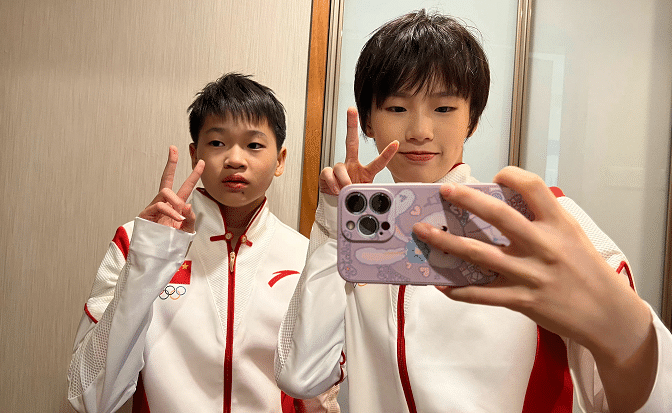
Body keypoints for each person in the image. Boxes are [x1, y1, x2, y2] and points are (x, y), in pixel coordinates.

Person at [274, 10, 671, 412]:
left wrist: (623, 331)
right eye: (396, 108)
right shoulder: (361, 240)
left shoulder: (538, 222)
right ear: (369, 124)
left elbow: (643, 394)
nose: (420, 131)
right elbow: (301, 375)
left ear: (472, 120)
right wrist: (337, 223)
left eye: (444, 109)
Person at [67, 73, 339, 412]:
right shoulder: (137, 242)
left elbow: (318, 397)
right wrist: (147, 265)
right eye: (218, 143)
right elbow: (89, 398)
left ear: (280, 160)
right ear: (195, 153)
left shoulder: (304, 256)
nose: (235, 159)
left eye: (254, 145)